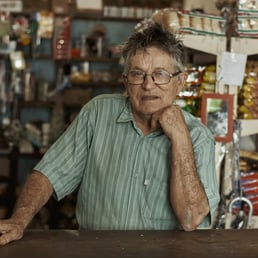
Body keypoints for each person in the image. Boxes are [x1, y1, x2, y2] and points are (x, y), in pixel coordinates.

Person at [0, 22, 220, 245]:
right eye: (138, 74)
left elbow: (191, 218)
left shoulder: (198, 136)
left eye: (160, 74)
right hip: (95, 251)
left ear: (179, 82)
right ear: (125, 80)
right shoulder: (98, 113)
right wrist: (19, 220)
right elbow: (49, 173)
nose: (148, 85)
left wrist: (181, 138)